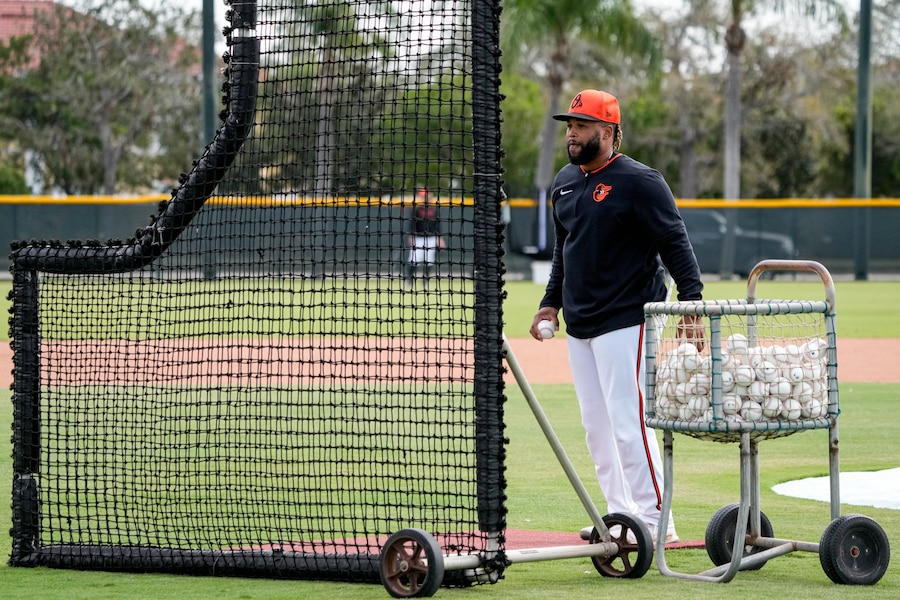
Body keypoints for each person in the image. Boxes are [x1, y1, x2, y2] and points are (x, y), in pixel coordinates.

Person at [529, 89, 705, 545]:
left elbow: (673, 239)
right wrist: (551, 302)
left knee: (628, 421)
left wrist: (692, 300)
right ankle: (619, 517)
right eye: (570, 125)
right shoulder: (565, 182)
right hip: (582, 320)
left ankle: (655, 521)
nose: (572, 133)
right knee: (596, 426)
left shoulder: (640, 181)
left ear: (606, 132)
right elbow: (563, 252)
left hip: (630, 314)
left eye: (581, 125)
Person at [404, 187, 444, 287]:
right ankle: (409, 280)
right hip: (419, 238)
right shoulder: (417, 209)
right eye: (423, 195)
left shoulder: (434, 209)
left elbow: (438, 225)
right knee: (414, 259)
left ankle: (426, 281)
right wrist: (411, 236)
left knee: (429, 260)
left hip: (431, 238)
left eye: (427, 195)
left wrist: (440, 238)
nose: (426, 197)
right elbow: (412, 224)